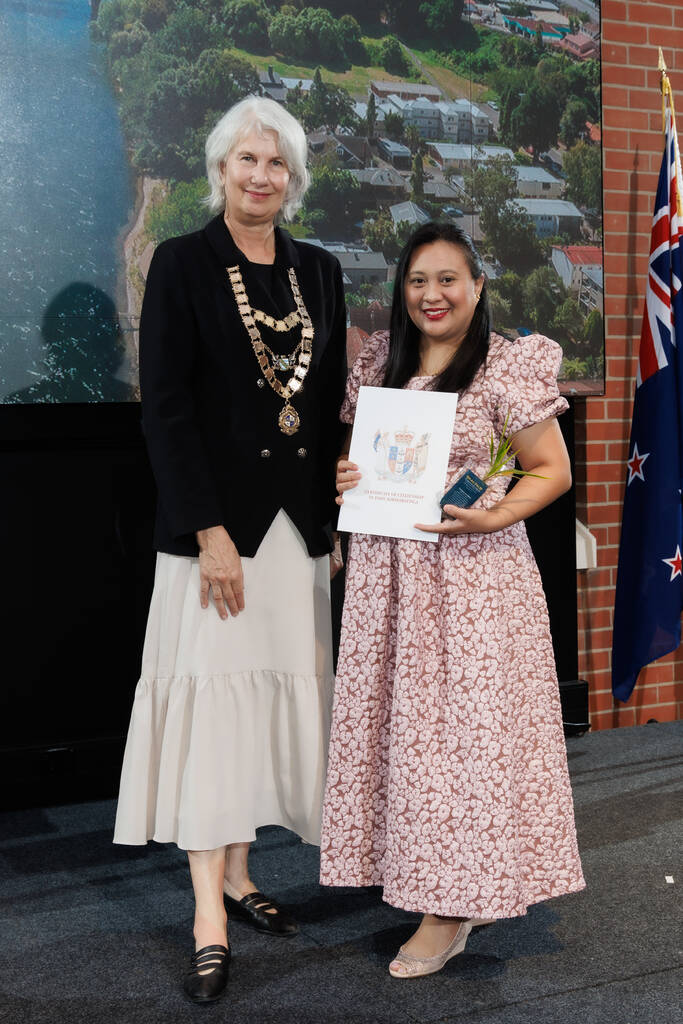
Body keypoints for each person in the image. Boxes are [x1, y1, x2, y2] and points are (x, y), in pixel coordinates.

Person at [113, 95, 347, 1003]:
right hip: (217, 538)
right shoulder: (180, 263)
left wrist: (337, 496)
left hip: (296, 540)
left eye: (276, 163)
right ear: (220, 169)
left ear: (293, 177)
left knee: (265, 709)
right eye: (245, 161)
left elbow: (323, 400)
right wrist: (209, 530)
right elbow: (164, 408)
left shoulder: (319, 271)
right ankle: (209, 915)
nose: (260, 177)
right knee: (216, 717)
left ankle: (247, 877)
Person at [319, 222, 585, 978]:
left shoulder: (507, 368)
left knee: (462, 745)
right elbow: (352, 457)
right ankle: (424, 876)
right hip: (387, 582)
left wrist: (493, 514)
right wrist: (341, 477)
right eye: (416, 281)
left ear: (475, 287)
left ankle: (452, 908)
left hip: (470, 584)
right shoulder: (379, 362)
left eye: (446, 280)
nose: (430, 295)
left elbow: (549, 470)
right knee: (405, 742)